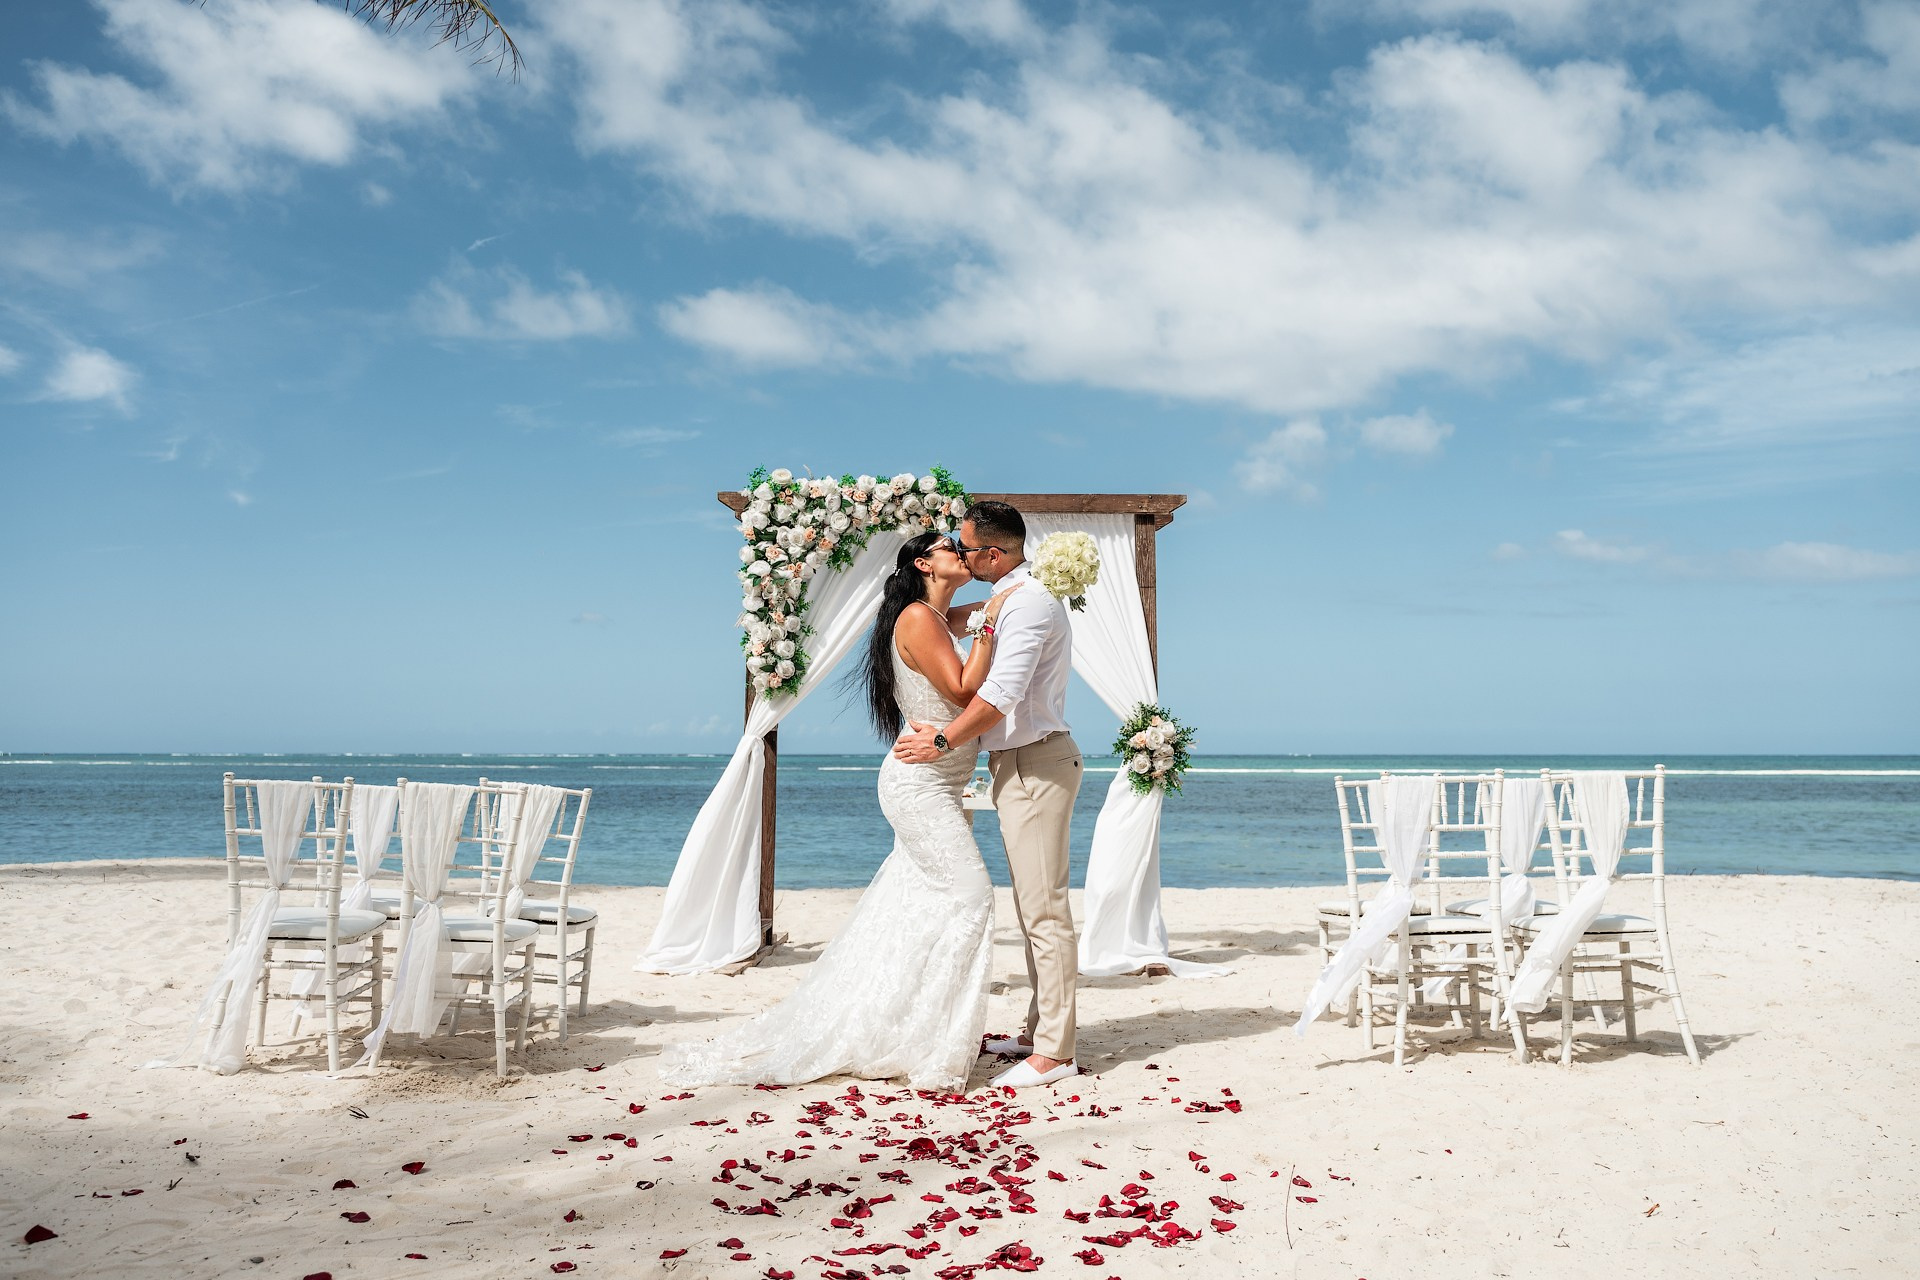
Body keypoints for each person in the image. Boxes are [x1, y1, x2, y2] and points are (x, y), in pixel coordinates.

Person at [658, 531, 1016, 1091]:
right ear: (924, 563)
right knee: (972, 895)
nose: (963, 554)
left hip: (941, 783)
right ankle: (934, 1040)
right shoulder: (920, 619)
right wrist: (992, 628)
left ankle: (902, 1026)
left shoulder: (938, 616)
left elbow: (983, 612)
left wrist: (999, 602)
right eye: (952, 548)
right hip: (919, 783)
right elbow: (966, 686)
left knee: (907, 903)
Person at [894, 500, 1083, 1089]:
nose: (959, 549)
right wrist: (952, 606)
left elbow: (1000, 692)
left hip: (1036, 762)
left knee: (1045, 910)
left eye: (966, 545)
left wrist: (944, 741)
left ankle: (1056, 1051)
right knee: (1033, 907)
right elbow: (943, 623)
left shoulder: (1026, 603)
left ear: (992, 554)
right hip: (1018, 763)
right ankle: (1037, 1031)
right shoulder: (1007, 598)